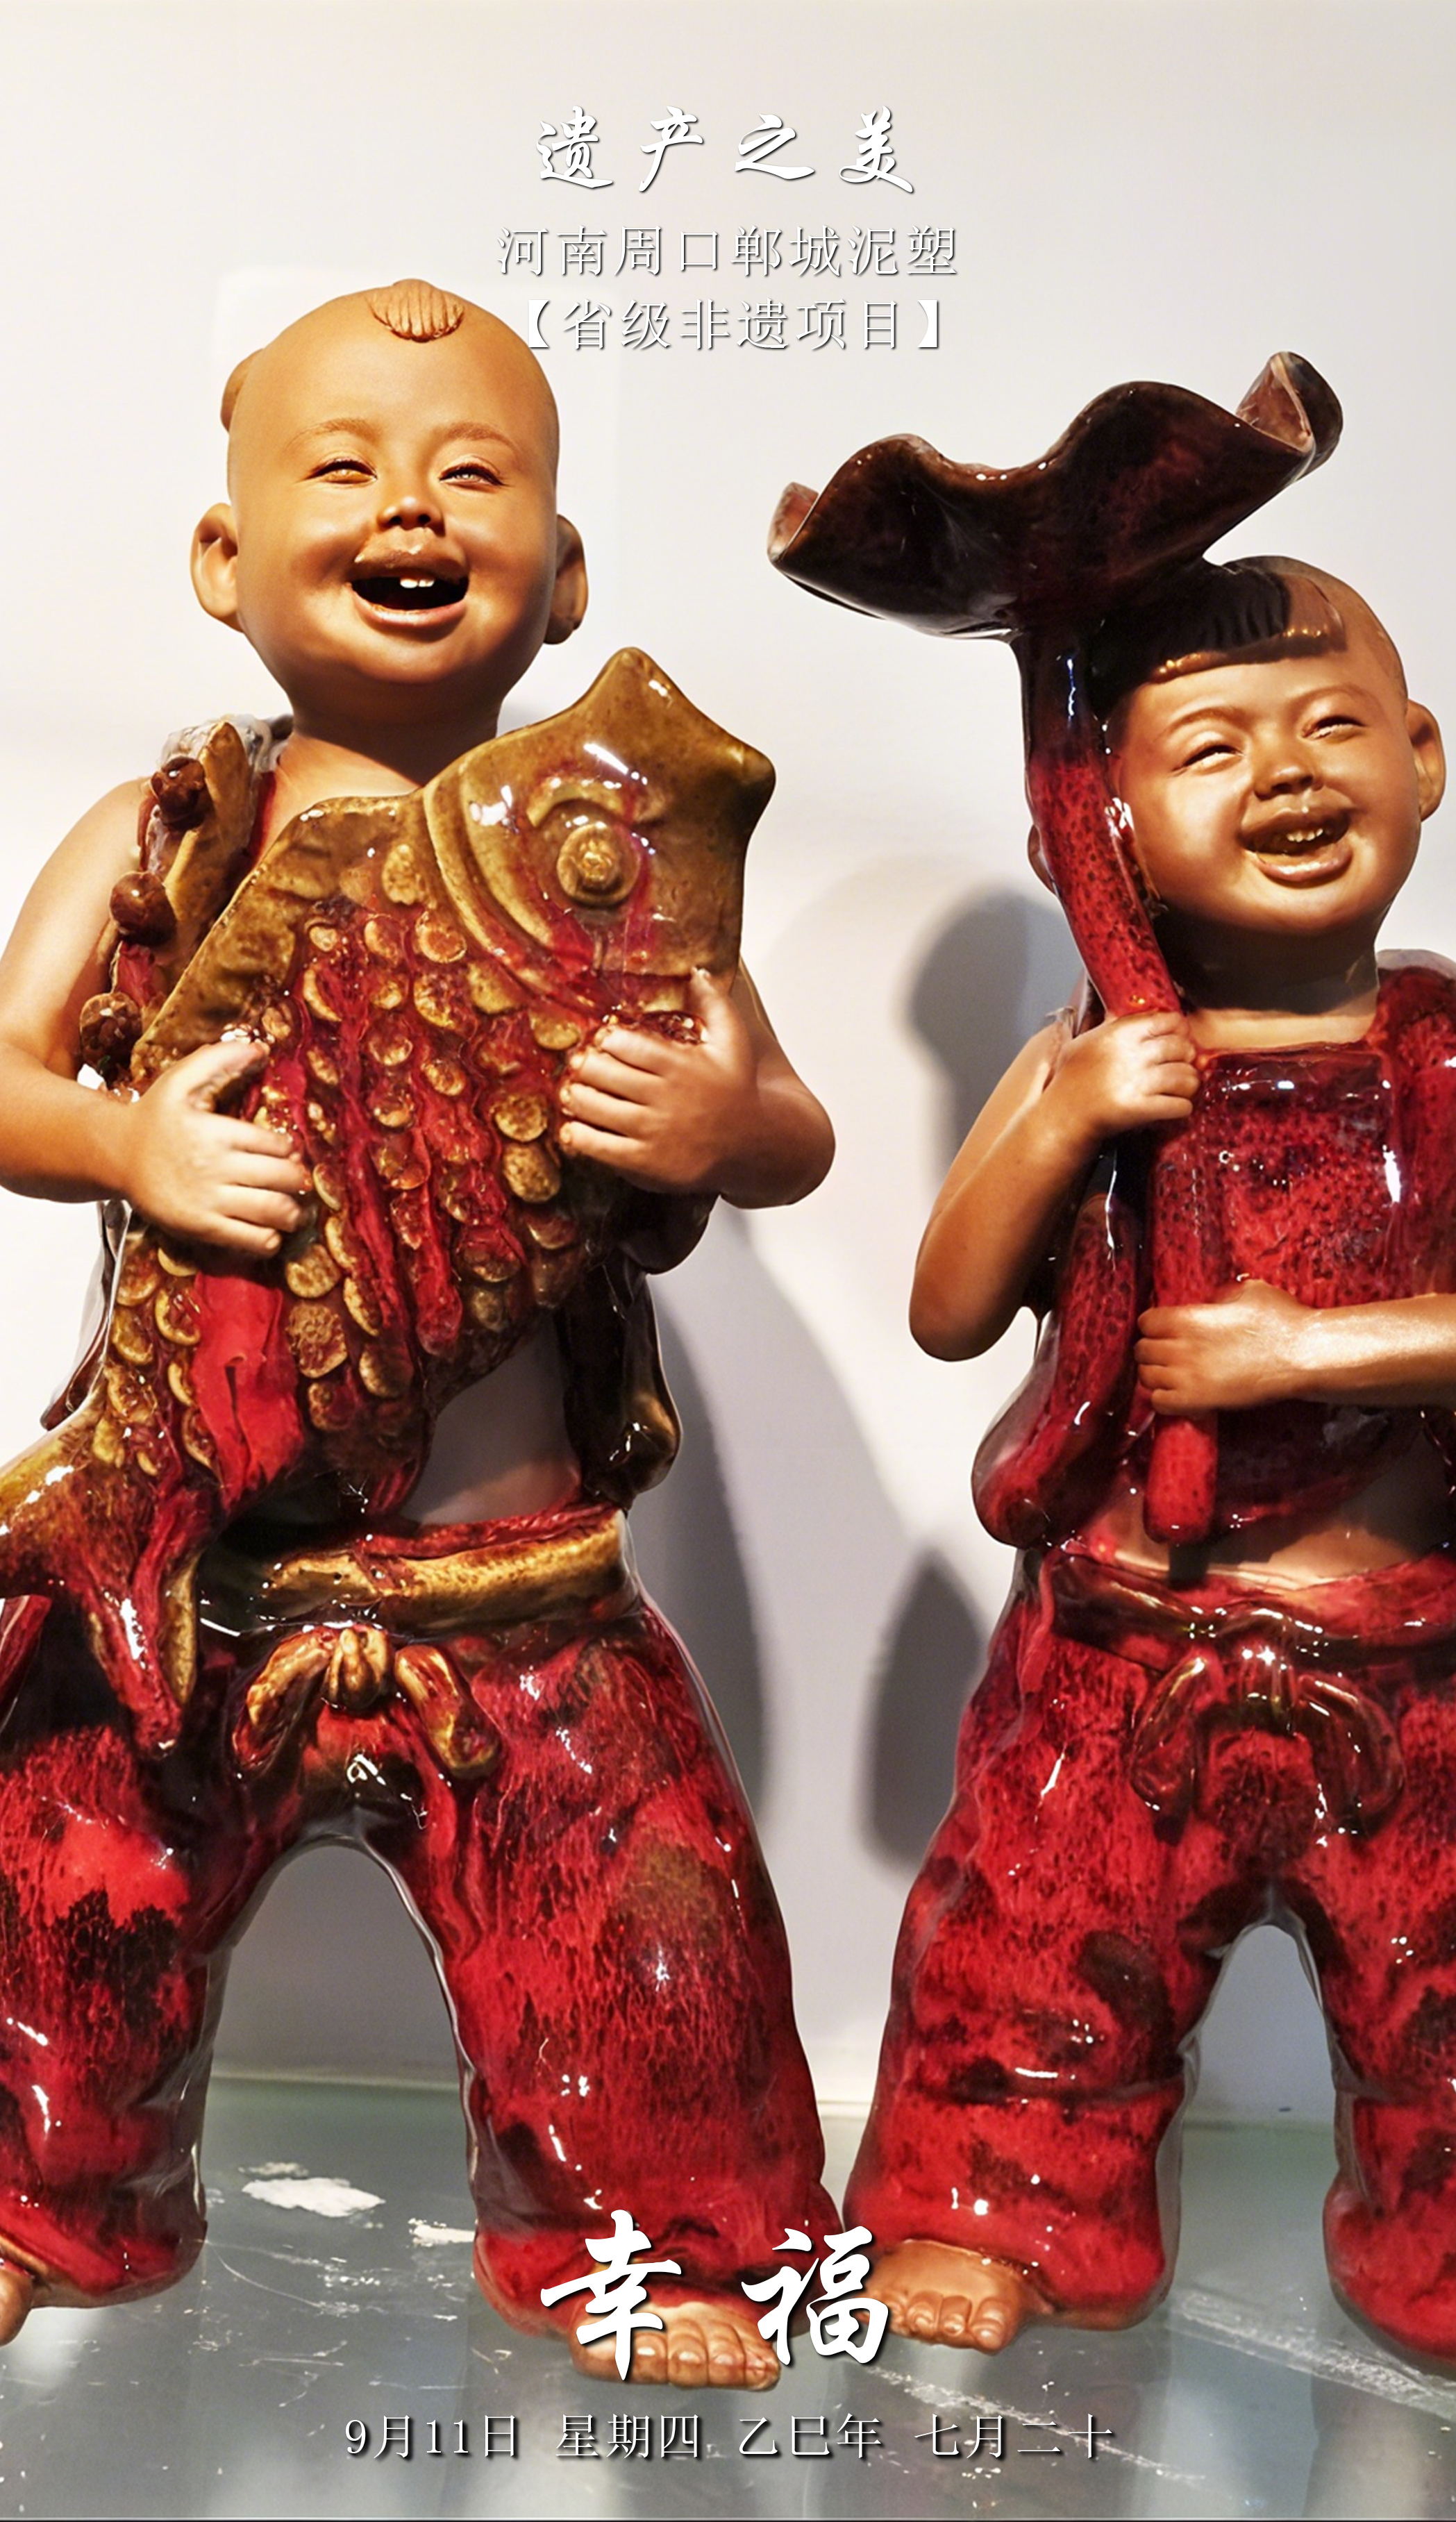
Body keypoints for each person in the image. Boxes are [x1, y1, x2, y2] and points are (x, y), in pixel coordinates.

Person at [0, 279, 835, 2387]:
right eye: (345, 468)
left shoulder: (603, 856)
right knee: (54, 1880)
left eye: (473, 474)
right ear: (224, 557)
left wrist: (718, 1122)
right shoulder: (160, 846)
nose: (410, 510)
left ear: (565, 576)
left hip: (520, 1587)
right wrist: (131, 1143)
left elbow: (790, 1126)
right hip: (201, 1562)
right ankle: (39, 2195)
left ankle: (658, 2241)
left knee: (651, 1942)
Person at [851, 553, 1456, 2366]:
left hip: (1406, 1653)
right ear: (1104, 828)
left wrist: (1306, 1350)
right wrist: (1061, 1117)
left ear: (1423, 758)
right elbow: (950, 1309)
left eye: (1331, 726)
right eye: (1212, 748)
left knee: (1440, 1998)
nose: (1286, 774)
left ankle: (1432, 2232)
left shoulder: (1441, 1060)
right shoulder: (1102, 1066)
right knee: (1040, 1965)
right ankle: (1002, 2207)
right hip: (1122, 1643)